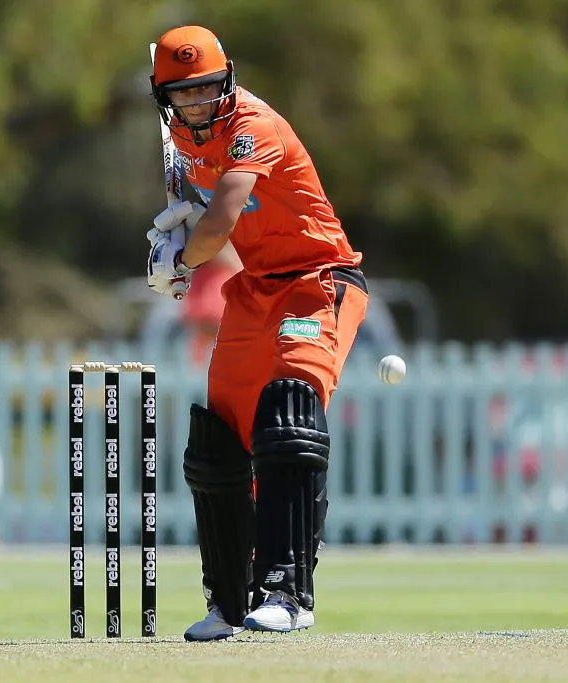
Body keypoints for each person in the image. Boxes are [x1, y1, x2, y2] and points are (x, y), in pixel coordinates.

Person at [146, 25, 369, 641]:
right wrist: (180, 230)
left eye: (208, 89)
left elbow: (224, 213)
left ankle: (288, 593)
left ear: (229, 81)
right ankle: (226, 600)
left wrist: (182, 258)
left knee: (288, 412)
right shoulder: (186, 140)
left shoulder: (252, 124)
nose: (198, 103)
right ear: (166, 96)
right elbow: (214, 212)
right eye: (184, 94)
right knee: (220, 435)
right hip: (257, 286)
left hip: (319, 280)